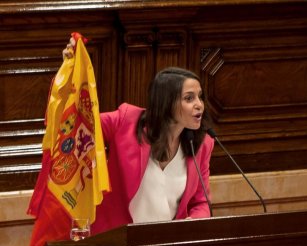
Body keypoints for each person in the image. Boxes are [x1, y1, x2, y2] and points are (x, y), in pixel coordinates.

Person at [63, 39, 214, 235]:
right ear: (166, 102)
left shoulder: (202, 144)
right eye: (189, 98)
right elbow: (78, 124)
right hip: (117, 245)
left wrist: (189, 225)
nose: (199, 104)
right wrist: (69, 79)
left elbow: (201, 202)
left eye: (200, 96)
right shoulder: (126, 121)